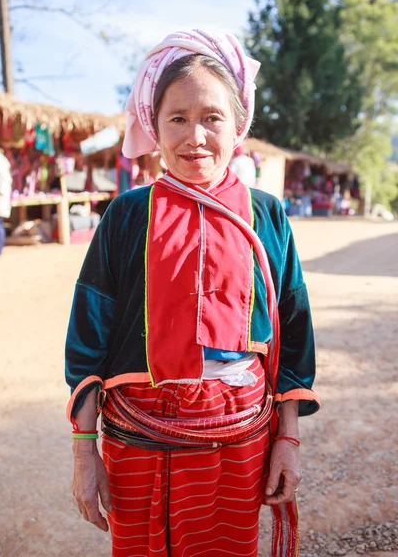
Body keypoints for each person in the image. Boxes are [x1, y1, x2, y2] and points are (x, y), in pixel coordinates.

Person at [65, 29, 320, 557]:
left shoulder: (267, 214)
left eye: (211, 118)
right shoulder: (127, 215)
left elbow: (292, 334)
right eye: (176, 119)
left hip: (240, 439)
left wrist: (288, 441)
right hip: (137, 440)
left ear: (238, 125)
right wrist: (85, 452)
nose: (195, 136)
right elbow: (87, 337)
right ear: (154, 129)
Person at [0, 148, 12, 256]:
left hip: (1, 196)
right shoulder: (2, 160)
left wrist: (1, 196)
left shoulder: (0, 161)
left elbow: (2, 182)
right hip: (2, 195)